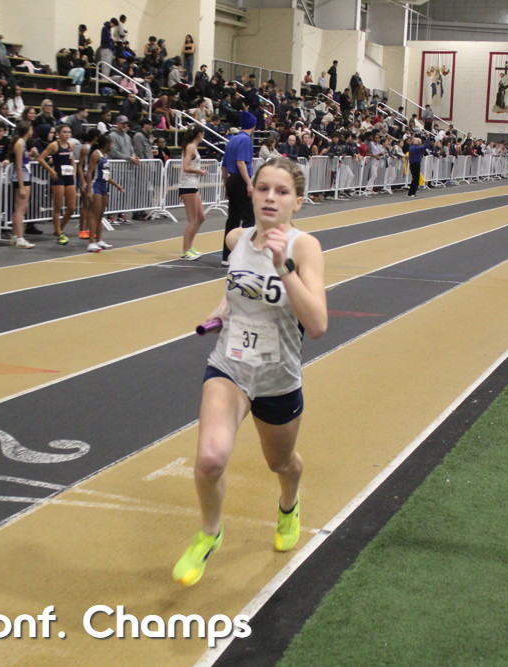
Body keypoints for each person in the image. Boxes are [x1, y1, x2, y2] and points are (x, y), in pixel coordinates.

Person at [172, 157, 328, 587]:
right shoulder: (236, 238)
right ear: (251, 193)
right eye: (263, 189)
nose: (271, 198)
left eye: (282, 191)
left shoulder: (304, 248)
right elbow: (238, 292)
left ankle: (289, 505)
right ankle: (209, 534)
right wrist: (221, 311)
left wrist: (283, 267)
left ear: (298, 201)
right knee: (210, 458)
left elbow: (317, 324)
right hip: (230, 365)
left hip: (278, 376)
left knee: (281, 463)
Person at [220, 111, 257, 266]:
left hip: (231, 180)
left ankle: (227, 255)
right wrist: (249, 183)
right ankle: (245, 255)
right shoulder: (245, 140)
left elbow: (224, 166)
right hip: (241, 181)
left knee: (233, 219)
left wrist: (226, 185)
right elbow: (241, 162)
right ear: (253, 126)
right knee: (249, 218)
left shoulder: (232, 139)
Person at [37, 124, 78, 245]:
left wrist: (74, 171)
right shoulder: (54, 145)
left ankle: (60, 228)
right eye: (64, 132)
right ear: (58, 134)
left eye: (69, 132)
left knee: (72, 207)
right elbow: (41, 158)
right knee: (58, 207)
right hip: (58, 177)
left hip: (69, 177)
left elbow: (71, 159)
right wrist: (51, 170)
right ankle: (59, 234)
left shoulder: (71, 145)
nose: (67, 134)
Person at [84, 133, 124, 252]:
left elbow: (106, 175)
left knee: (100, 214)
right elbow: (90, 172)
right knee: (94, 214)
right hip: (96, 185)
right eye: (111, 143)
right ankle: (91, 242)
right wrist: (89, 190)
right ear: (106, 144)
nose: (112, 145)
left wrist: (117, 185)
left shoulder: (105, 155)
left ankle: (99, 240)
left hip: (103, 186)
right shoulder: (96, 154)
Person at [178, 128, 208, 260]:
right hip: (187, 186)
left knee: (201, 217)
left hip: (193, 185)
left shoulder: (193, 148)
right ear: (199, 134)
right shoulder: (190, 147)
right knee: (193, 220)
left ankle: (190, 246)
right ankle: (185, 251)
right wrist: (199, 171)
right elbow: (186, 167)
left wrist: (199, 170)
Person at [8, 121, 35, 248]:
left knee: (19, 208)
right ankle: (20, 238)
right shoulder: (19, 143)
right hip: (22, 178)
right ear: (27, 130)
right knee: (21, 209)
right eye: (31, 128)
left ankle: (15, 236)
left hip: (24, 176)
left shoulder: (22, 143)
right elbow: (18, 166)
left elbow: (23, 160)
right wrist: (21, 186)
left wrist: (30, 155)